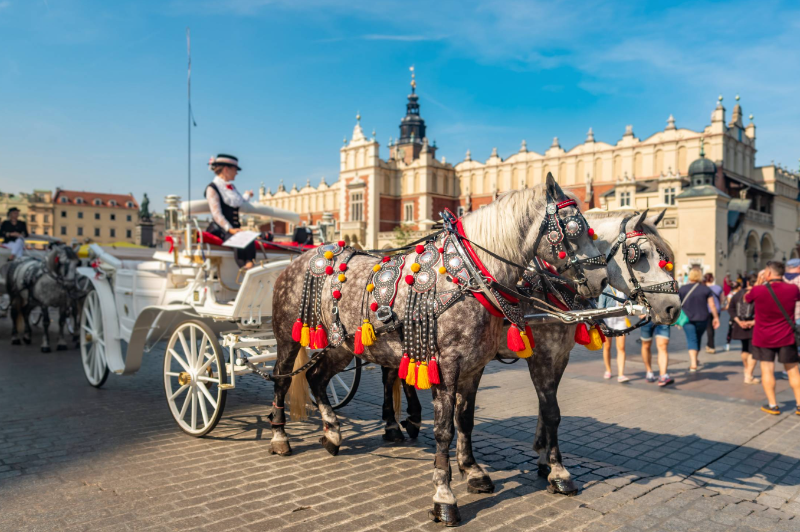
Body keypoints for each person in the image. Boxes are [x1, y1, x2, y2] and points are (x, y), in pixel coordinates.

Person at [745, 261, 800, 415]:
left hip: (764, 337)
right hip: (787, 336)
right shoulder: (792, 289)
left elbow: (746, 299)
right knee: (793, 371)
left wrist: (757, 283)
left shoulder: (758, 290)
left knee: (767, 370)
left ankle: (773, 405)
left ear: (767, 274)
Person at [205, 154, 256, 269]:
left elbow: (239, 201)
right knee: (238, 240)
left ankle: (250, 264)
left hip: (234, 229)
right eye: (235, 170)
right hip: (222, 229)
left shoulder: (231, 188)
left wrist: (247, 195)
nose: (236, 173)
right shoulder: (212, 188)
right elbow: (216, 214)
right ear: (226, 169)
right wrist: (230, 228)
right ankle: (244, 267)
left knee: (248, 237)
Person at [679, 267, 720, 372]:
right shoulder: (705, 289)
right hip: (703, 318)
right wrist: (716, 317)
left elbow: (677, 304)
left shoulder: (682, 289)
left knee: (692, 338)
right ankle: (695, 360)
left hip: (687, 319)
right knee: (697, 338)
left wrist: (676, 319)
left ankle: (693, 363)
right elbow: (712, 305)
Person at [730, 275, 759, 384]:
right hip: (754, 325)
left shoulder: (738, 294)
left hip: (740, 324)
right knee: (754, 350)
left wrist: (738, 321)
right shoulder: (758, 293)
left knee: (745, 348)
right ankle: (749, 375)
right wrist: (752, 322)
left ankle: (746, 369)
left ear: (747, 283)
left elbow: (731, 309)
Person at [598, 287, 629, 383]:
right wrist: (600, 323)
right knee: (607, 346)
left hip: (621, 320)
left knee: (621, 347)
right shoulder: (606, 288)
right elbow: (601, 306)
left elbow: (630, 301)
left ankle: (621, 374)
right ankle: (608, 370)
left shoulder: (624, 288)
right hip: (608, 320)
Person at [639, 319, 673, 386]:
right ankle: (649, 372)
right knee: (646, 345)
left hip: (663, 317)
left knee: (663, 346)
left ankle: (663, 376)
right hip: (646, 317)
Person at [704, 272, 724, 353]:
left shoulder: (703, 288)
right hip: (716, 309)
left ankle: (711, 346)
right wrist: (719, 305)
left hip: (707, 309)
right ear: (712, 279)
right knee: (712, 328)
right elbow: (722, 299)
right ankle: (709, 345)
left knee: (709, 328)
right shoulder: (718, 288)